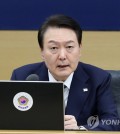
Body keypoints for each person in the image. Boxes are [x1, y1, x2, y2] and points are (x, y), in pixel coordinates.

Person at [11, 14, 120, 131]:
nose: (62, 56)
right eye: (53, 48)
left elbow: (112, 122)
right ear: (42, 51)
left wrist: (81, 129)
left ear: (79, 49)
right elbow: (9, 120)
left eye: (69, 47)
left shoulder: (99, 79)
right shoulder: (22, 77)